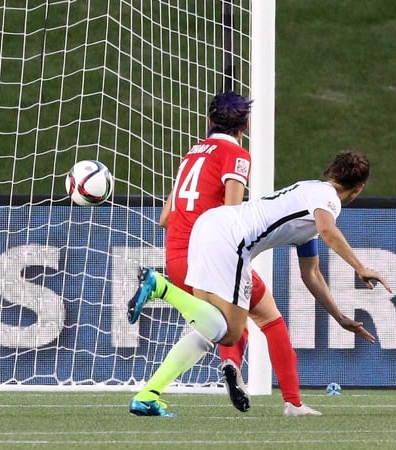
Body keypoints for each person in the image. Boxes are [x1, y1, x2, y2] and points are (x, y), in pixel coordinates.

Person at [127, 150, 391, 417]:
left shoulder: (308, 195)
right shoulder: (327, 200)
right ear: (359, 188)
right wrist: (360, 267)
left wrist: (340, 317)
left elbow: (311, 274)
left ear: (331, 171)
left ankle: (148, 395)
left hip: (209, 225)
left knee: (212, 328)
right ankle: (161, 287)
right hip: (232, 240)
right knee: (231, 333)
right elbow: (327, 228)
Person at [132, 91, 322, 417]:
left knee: (210, 328)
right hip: (208, 254)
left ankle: (148, 395)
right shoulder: (236, 155)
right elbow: (233, 215)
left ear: (209, 120)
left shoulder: (192, 154)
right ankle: (292, 402)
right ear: (245, 125)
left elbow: (165, 217)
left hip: (176, 251)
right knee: (267, 318)